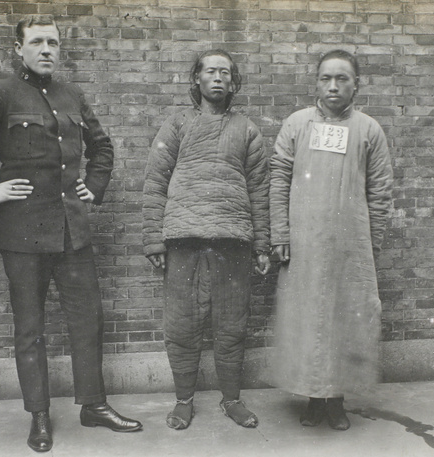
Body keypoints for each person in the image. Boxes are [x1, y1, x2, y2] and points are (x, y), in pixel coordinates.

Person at [0, 15, 142, 453]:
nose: (47, 50)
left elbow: (102, 146)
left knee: (89, 321)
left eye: (54, 43)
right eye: (38, 42)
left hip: (72, 232)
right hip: (21, 233)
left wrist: (94, 186)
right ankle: (40, 416)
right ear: (19, 49)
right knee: (31, 327)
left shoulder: (72, 96)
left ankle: (93, 405)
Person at [142, 49, 271, 430]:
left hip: (233, 242)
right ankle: (184, 401)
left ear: (234, 82)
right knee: (182, 326)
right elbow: (155, 182)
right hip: (184, 242)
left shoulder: (247, 129)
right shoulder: (177, 125)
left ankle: (231, 400)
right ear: (196, 79)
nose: (217, 77)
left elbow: (260, 190)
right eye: (210, 71)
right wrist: (153, 240)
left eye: (225, 73)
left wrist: (262, 245)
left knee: (232, 325)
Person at [269, 49, 393, 431]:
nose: (334, 86)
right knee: (307, 318)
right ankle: (312, 397)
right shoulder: (297, 124)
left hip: (349, 243)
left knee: (342, 318)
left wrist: (371, 242)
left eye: (342, 79)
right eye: (326, 78)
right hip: (304, 242)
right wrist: (280, 233)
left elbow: (381, 190)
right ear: (316, 83)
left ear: (357, 84)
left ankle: (336, 400)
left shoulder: (368, 129)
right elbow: (278, 179)